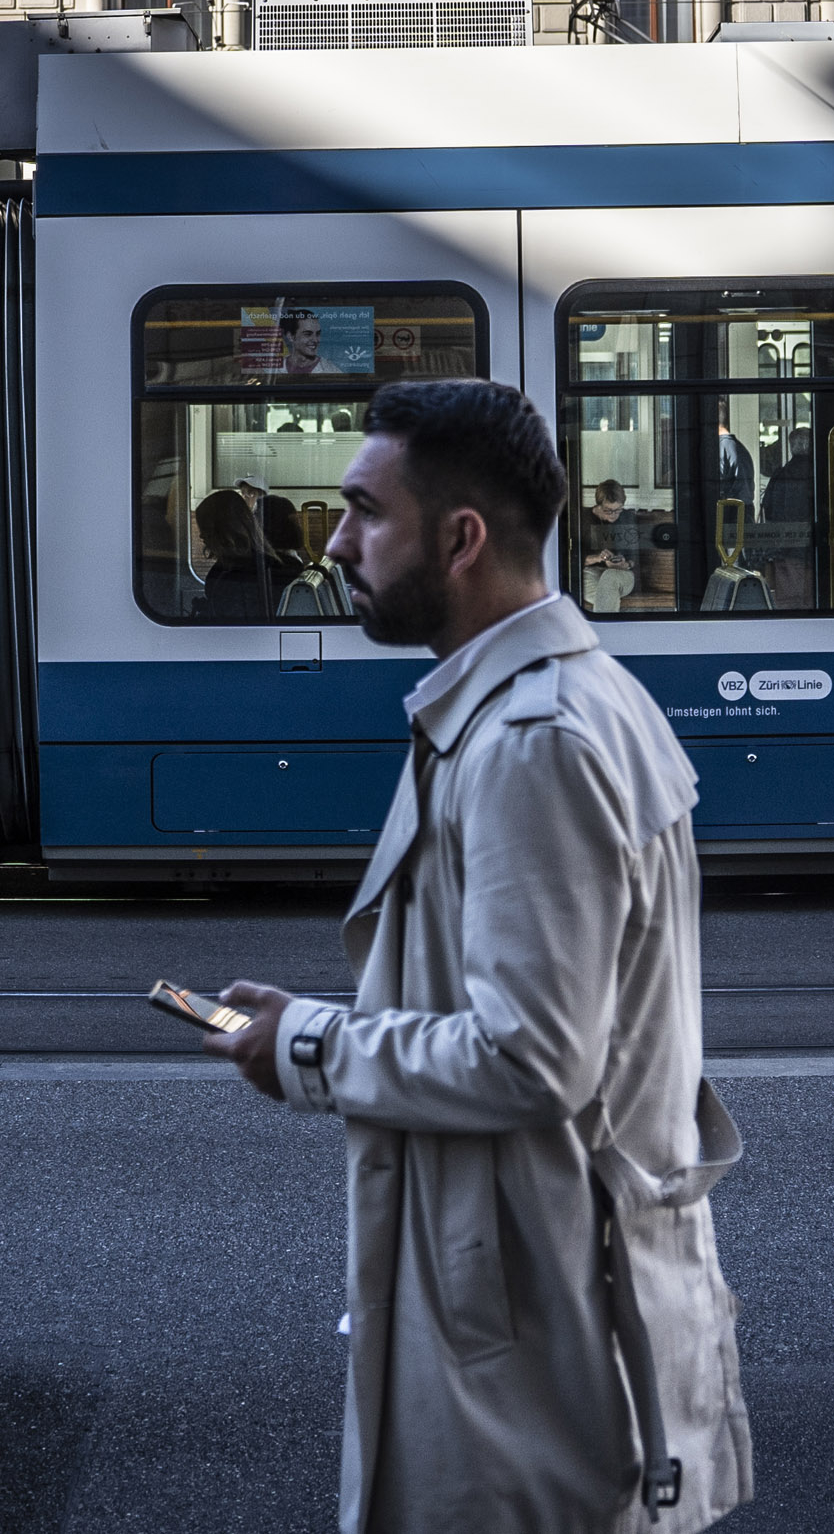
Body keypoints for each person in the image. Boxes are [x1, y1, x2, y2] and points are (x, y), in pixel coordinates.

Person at [202, 377, 753, 1533]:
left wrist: (305, 1042)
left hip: (529, 1320)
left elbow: (533, 1057)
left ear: (458, 539)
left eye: (364, 511)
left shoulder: (528, 745)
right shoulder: (574, 699)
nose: (338, 541)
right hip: (537, 1283)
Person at [194, 485, 280, 619]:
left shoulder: (236, 577)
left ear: (219, 530)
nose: (201, 536)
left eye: (205, 529)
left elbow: (229, 622)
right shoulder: (260, 560)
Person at [579, 480, 648, 614]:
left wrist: (626, 564)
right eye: (608, 510)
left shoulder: (627, 517)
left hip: (621, 575)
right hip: (591, 573)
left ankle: (603, 630)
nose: (614, 514)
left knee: (610, 576)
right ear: (599, 505)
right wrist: (598, 558)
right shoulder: (583, 518)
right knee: (604, 593)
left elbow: (636, 557)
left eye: (618, 510)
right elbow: (573, 558)